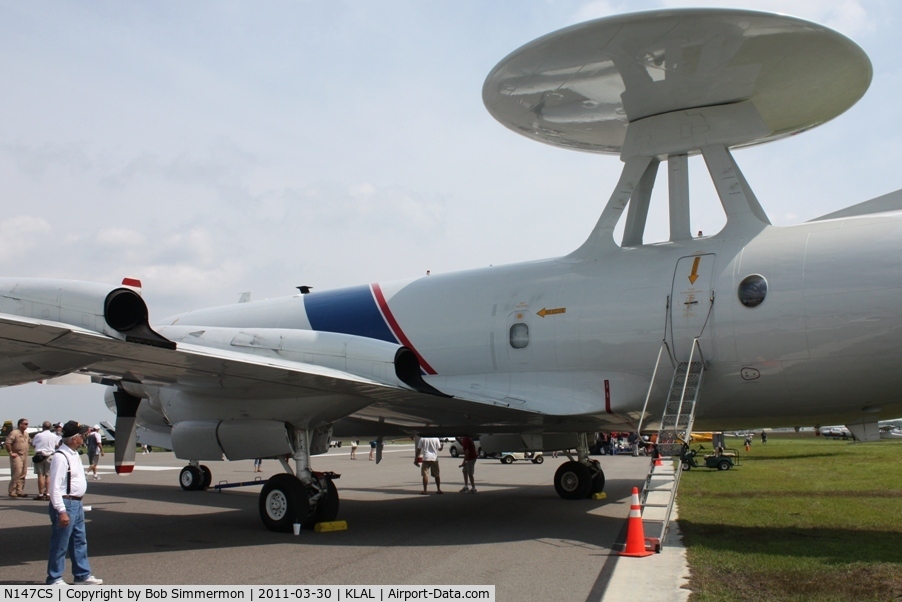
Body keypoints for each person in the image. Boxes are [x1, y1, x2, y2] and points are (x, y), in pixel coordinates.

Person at [47, 421, 102, 585]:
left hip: (76, 503)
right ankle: (54, 577)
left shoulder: (73, 453)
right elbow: (55, 487)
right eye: (81, 434)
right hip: (66, 503)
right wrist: (61, 511)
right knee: (60, 542)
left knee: (79, 540)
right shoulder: (61, 457)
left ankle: (82, 574)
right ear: (74, 438)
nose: (84, 436)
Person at [32, 421, 60, 501]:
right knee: (48, 475)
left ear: (42, 427)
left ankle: (41, 494)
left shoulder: (38, 435)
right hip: (50, 455)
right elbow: (56, 444)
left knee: (40, 475)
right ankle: (48, 494)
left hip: (40, 455)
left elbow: (34, 444)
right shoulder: (53, 436)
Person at [5, 418, 31, 498]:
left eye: (27, 424)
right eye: (25, 424)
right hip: (17, 455)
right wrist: (11, 452)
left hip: (24, 455)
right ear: (20, 424)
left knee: (23, 473)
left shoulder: (26, 434)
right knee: (17, 472)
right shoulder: (14, 433)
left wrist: (27, 449)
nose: (27, 425)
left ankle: (19, 490)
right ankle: (12, 490)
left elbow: (29, 442)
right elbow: (8, 443)